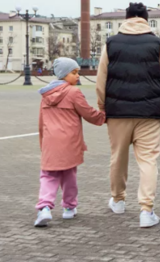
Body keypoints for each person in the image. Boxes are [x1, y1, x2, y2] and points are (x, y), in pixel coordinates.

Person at [96, 2, 160, 228]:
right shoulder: (157, 44)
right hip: (149, 112)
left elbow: (101, 79)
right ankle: (146, 210)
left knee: (118, 157)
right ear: (146, 19)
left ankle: (118, 201)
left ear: (126, 18)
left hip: (117, 112)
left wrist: (101, 106)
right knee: (148, 160)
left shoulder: (111, 43)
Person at [34, 58, 106, 227]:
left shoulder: (45, 95)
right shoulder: (74, 92)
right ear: (63, 75)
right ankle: (69, 207)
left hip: (50, 141)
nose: (77, 76)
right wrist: (104, 116)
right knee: (69, 175)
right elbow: (88, 113)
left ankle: (44, 207)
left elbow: (41, 122)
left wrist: (42, 143)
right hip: (69, 140)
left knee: (48, 175)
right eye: (74, 73)